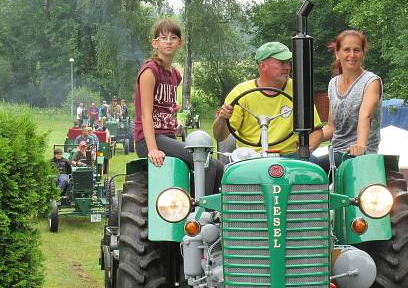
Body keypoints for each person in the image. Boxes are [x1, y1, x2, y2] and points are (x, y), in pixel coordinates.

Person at [135, 18, 223, 193]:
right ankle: (198, 212)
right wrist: (152, 149)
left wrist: (175, 125)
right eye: (163, 38)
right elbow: (146, 114)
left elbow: (169, 107)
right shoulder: (150, 72)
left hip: (167, 138)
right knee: (207, 165)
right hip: (149, 139)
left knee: (219, 167)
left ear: (180, 43)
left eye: (173, 38)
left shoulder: (175, 75)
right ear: (155, 43)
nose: (168, 41)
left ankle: (211, 214)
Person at [213, 41, 323, 158]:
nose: (288, 67)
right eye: (281, 62)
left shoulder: (299, 89)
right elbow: (219, 137)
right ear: (263, 65)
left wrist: (308, 147)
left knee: (312, 168)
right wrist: (222, 118)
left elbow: (316, 131)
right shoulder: (240, 93)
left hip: (290, 157)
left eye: (288, 63)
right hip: (251, 158)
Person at [319, 30, 382, 166]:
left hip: (359, 156)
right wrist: (306, 141)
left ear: (363, 54)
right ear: (337, 54)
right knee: (303, 167)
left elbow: (365, 116)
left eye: (357, 50)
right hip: (336, 154)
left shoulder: (371, 82)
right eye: (347, 50)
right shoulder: (333, 84)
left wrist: (360, 145)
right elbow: (331, 128)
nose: (352, 55)